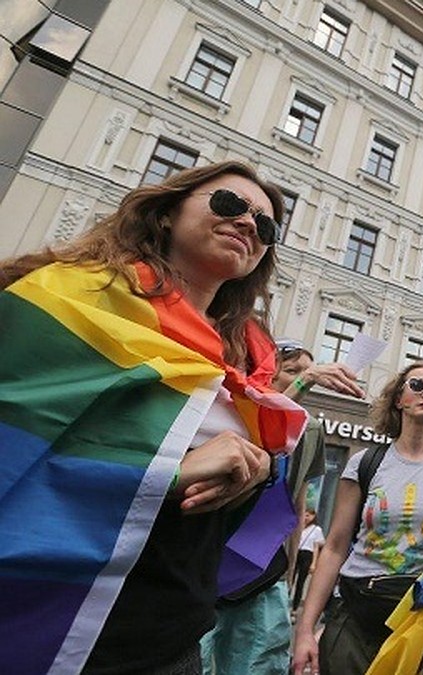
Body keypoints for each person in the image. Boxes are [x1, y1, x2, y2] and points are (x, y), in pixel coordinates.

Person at [0, 161, 308, 674]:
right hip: (49, 622)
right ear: (167, 213)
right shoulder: (68, 295)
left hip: (172, 637)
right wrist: (165, 473)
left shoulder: (250, 360)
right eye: (229, 204)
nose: (250, 224)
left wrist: (255, 469)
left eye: (267, 225)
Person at [291, 360, 423, 675]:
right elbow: (334, 547)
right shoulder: (365, 463)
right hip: (358, 611)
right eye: (417, 385)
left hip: (420, 616)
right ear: (399, 399)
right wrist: (306, 631)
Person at [201, 338, 363, 675]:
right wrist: (308, 381)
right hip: (207, 563)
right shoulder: (233, 411)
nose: (303, 376)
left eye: (307, 370)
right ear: (267, 378)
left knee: (259, 664)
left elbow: (297, 497)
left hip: (264, 573)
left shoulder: (312, 430)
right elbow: (264, 437)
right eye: (291, 371)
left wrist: (289, 572)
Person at [294, 507, 325, 612]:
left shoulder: (316, 529)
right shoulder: (298, 526)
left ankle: (294, 608)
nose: (306, 517)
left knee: (300, 582)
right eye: (305, 515)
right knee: (290, 579)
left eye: (309, 515)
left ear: (314, 517)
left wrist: (314, 563)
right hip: (296, 552)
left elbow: (317, 547)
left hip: (307, 554)